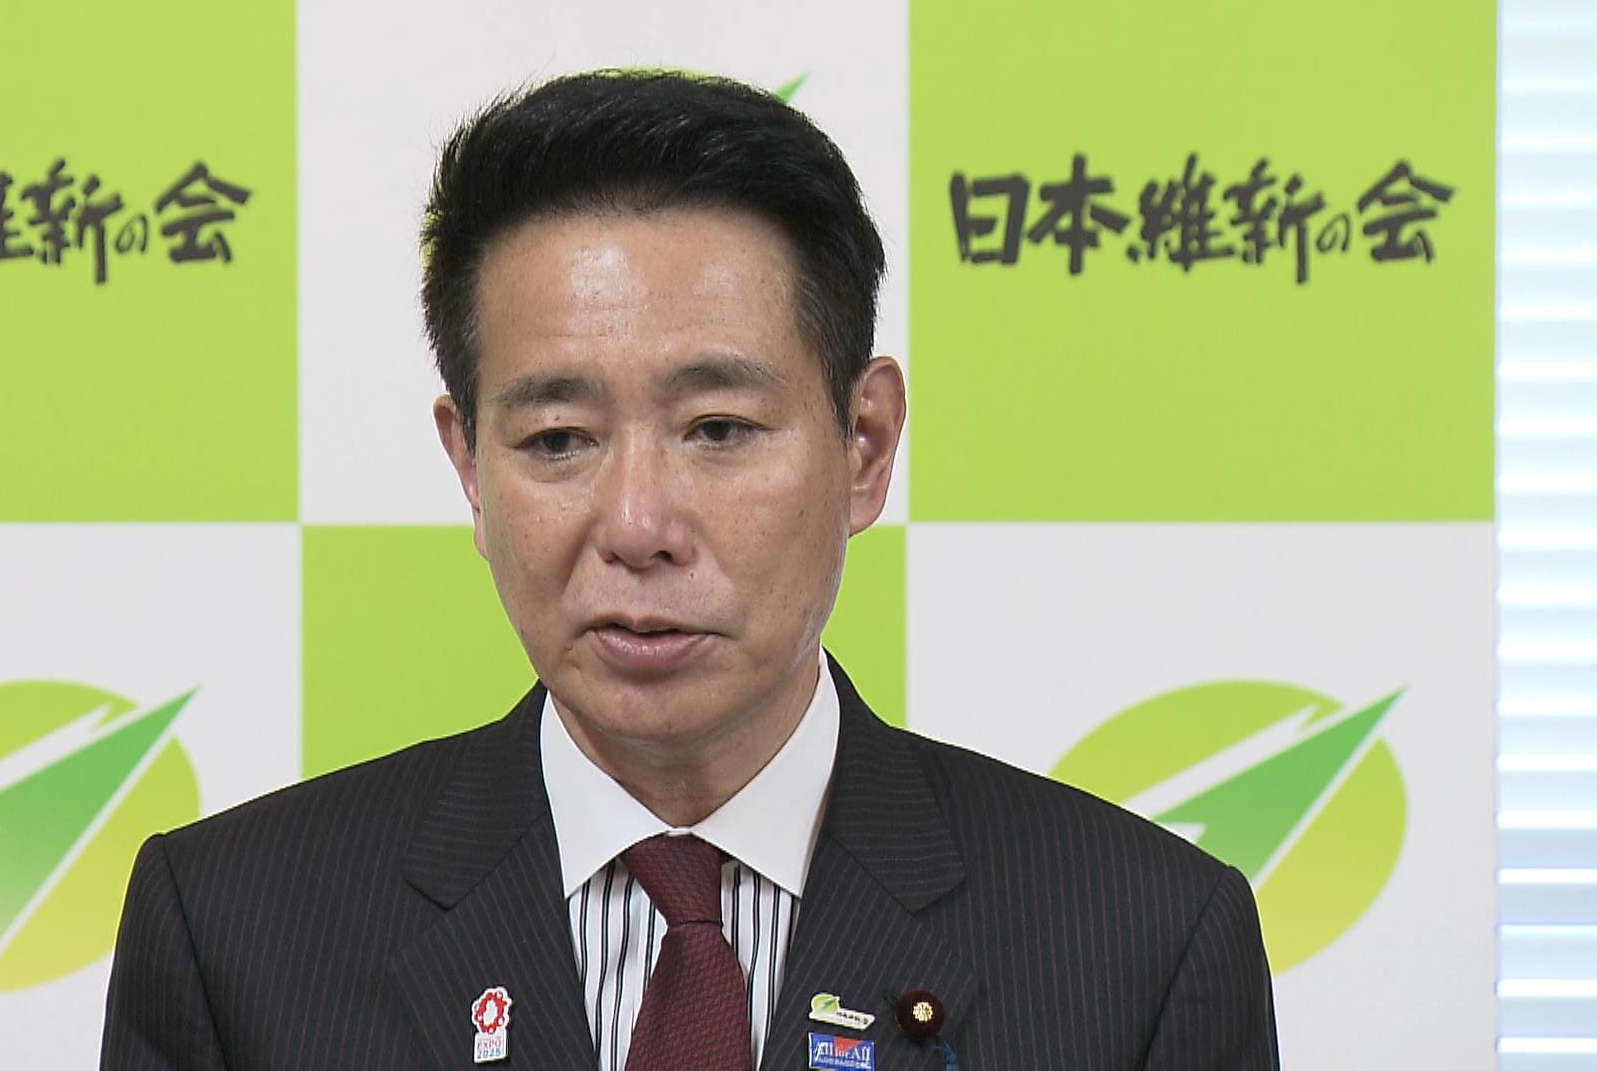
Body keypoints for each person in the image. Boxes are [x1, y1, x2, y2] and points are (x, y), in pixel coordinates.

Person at [101, 70, 1279, 1071]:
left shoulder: (1142, 947)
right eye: (557, 440)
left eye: (718, 429)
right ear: (469, 467)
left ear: (865, 447)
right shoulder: (235, 936)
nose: (638, 525)